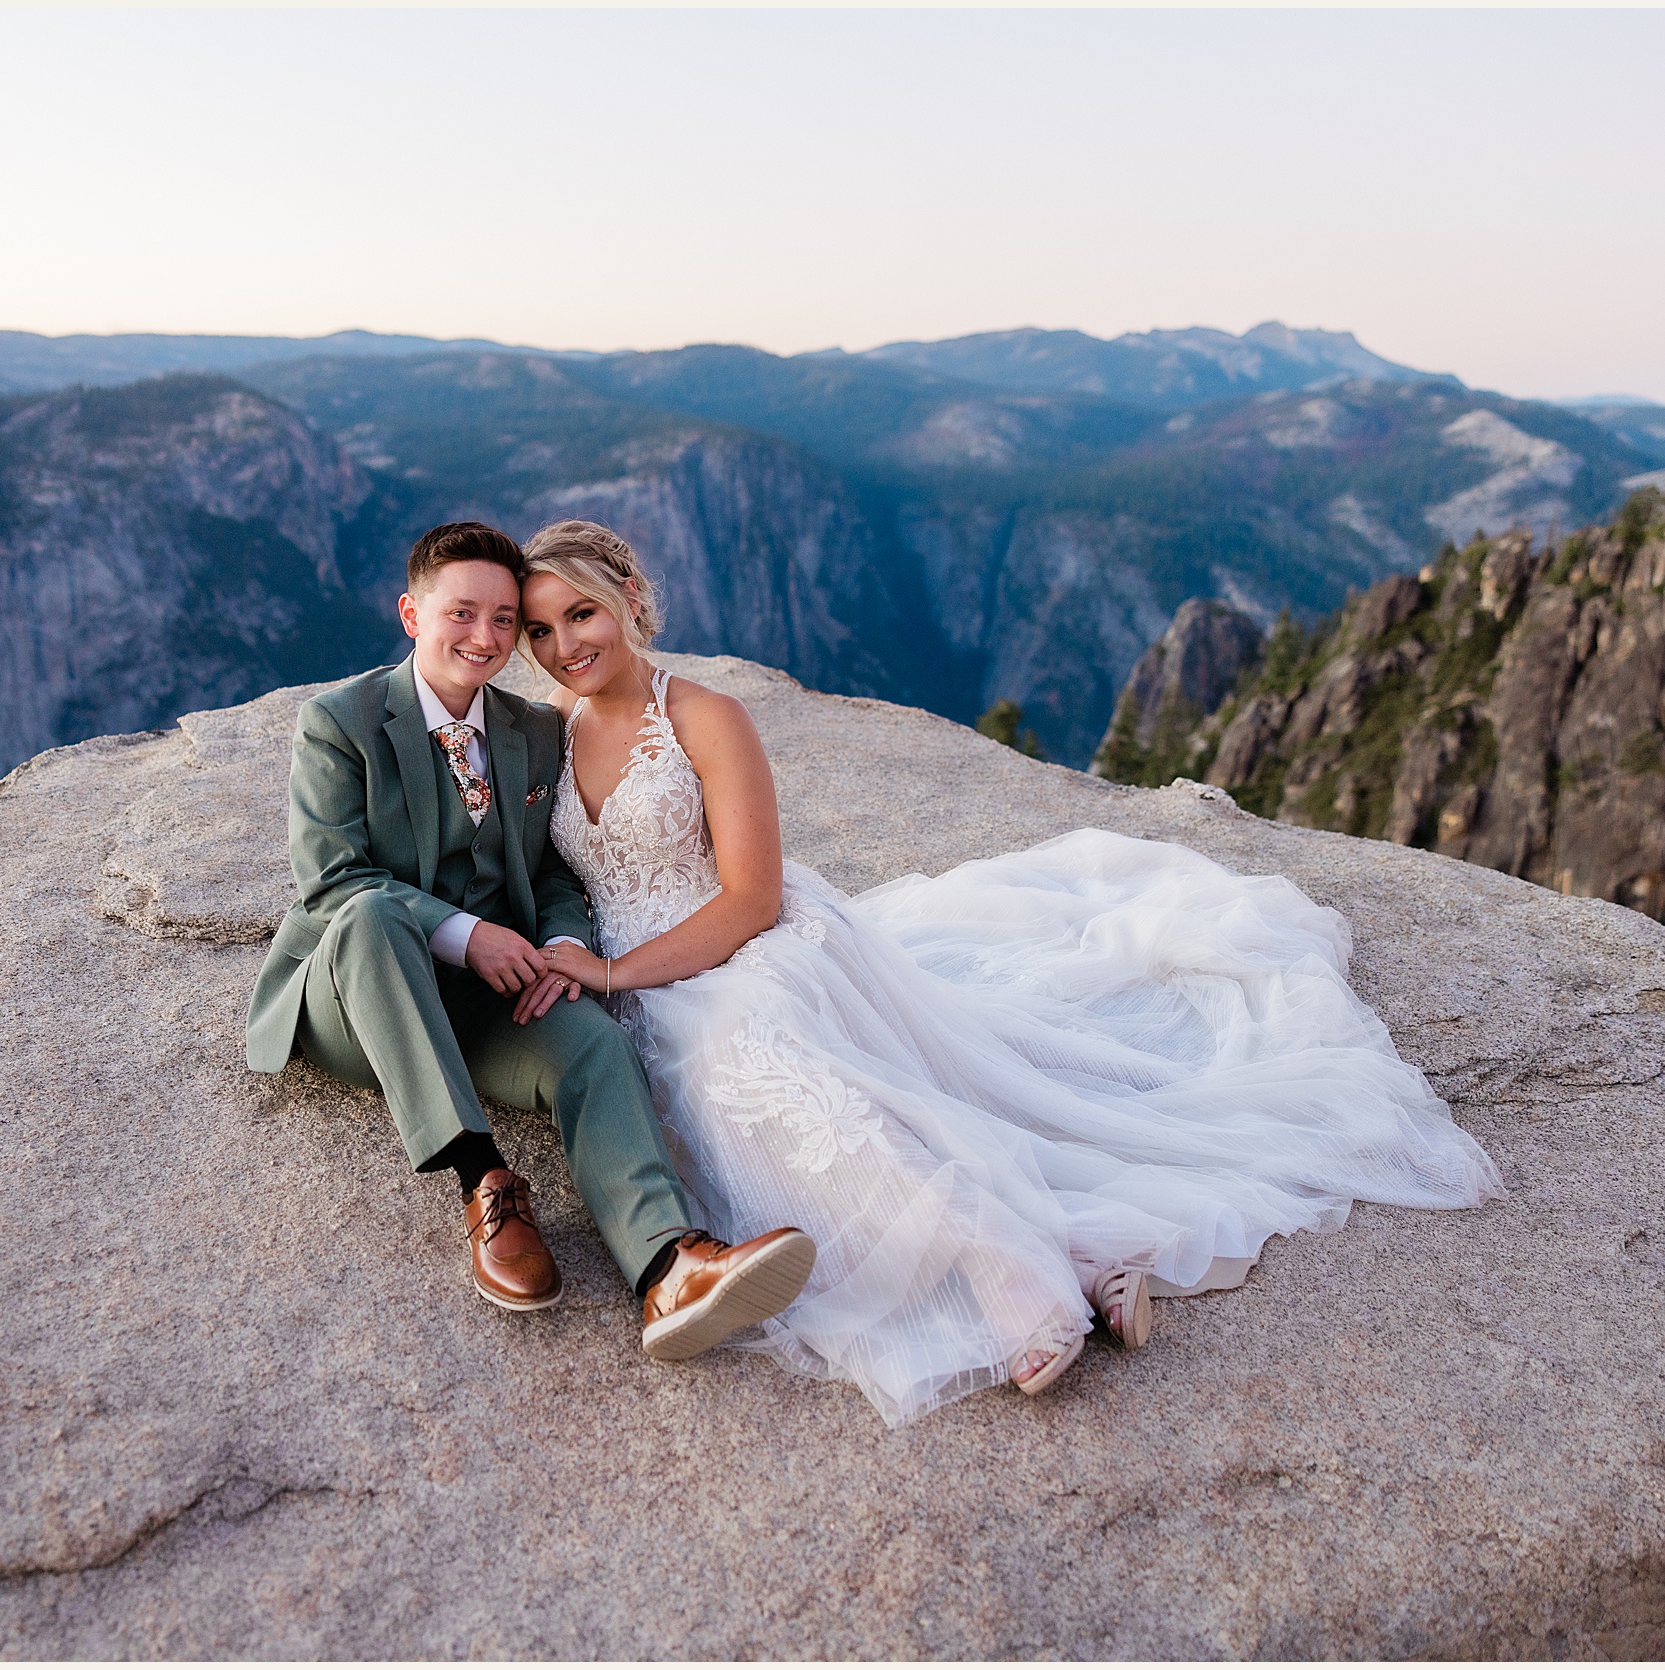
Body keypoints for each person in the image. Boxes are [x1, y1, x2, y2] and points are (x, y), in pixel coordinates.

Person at [519, 518, 1505, 1426]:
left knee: (758, 1066)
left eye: (582, 613)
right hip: (638, 980)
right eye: (540, 629)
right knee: (712, 1110)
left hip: (742, 945)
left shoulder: (704, 716)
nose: (564, 643)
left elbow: (750, 898)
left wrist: (619, 974)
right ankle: (1078, 1246)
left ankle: (1006, 1267)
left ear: (629, 599)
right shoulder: (547, 735)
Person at [244, 522, 816, 1361]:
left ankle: (669, 1265)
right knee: (370, 916)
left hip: (478, 1005)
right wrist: (470, 935)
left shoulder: (534, 729)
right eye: (461, 613)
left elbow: (554, 870)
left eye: (507, 621)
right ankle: (485, 1180)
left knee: (591, 1039)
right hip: (355, 1001)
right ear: (412, 613)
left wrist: (558, 946)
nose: (486, 637)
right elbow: (333, 883)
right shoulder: (340, 724)